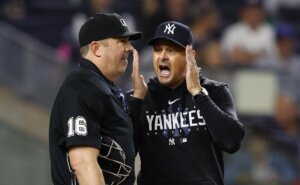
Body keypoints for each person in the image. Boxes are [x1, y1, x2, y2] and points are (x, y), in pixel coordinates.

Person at [127, 21, 245, 185]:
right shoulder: (141, 98)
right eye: (158, 50)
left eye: (171, 50)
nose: (163, 56)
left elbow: (232, 141)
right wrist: (136, 101)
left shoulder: (214, 91)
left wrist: (198, 93)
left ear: (190, 56)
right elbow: (124, 155)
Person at [49, 13, 142, 185]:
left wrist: (137, 99)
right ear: (96, 48)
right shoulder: (81, 88)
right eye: (122, 41)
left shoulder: (101, 87)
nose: (129, 48)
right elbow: (83, 163)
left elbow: (123, 148)